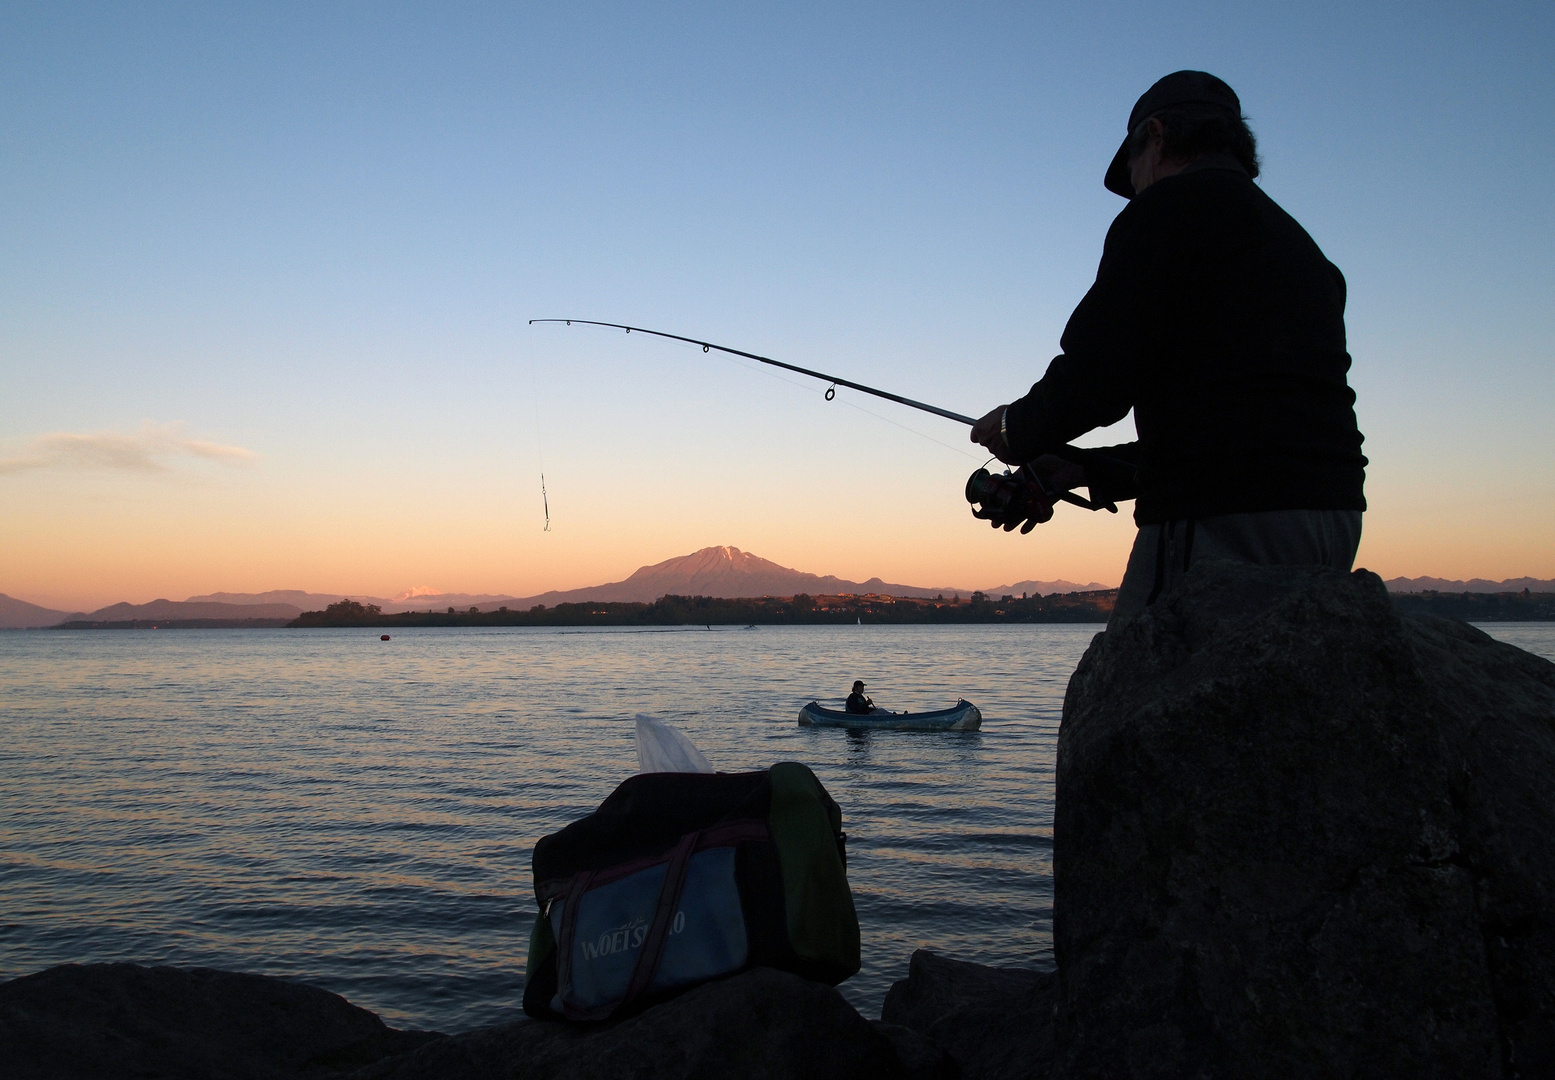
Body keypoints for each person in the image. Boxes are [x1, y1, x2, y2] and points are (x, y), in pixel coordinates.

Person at [971, 71, 1366, 624]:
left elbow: (1098, 377)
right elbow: (1246, 426)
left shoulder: (1163, 215)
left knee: (1140, 693)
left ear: (1155, 136)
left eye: (1130, 170)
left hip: (1223, 519)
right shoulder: (1301, 249)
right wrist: (1080, 468)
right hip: (1332, 516)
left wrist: (1017, 428)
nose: (1133, 189)